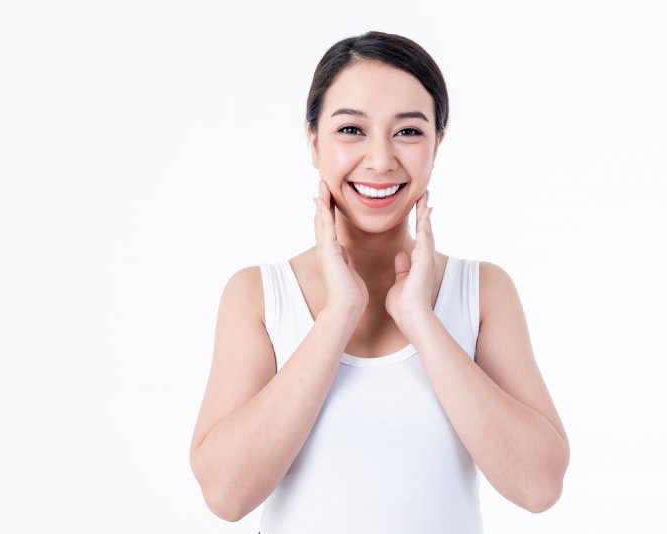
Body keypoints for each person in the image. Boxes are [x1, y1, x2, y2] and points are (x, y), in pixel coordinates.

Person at [189, 30, 570, 533]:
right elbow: (226, 495)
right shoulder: (259, 295)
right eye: (351, 129)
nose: (380, 158)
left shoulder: (481, 291)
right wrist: (338, 313)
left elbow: (540, 487)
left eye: (408, 132)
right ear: (313, 141)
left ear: (438, 144)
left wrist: (421, 321)